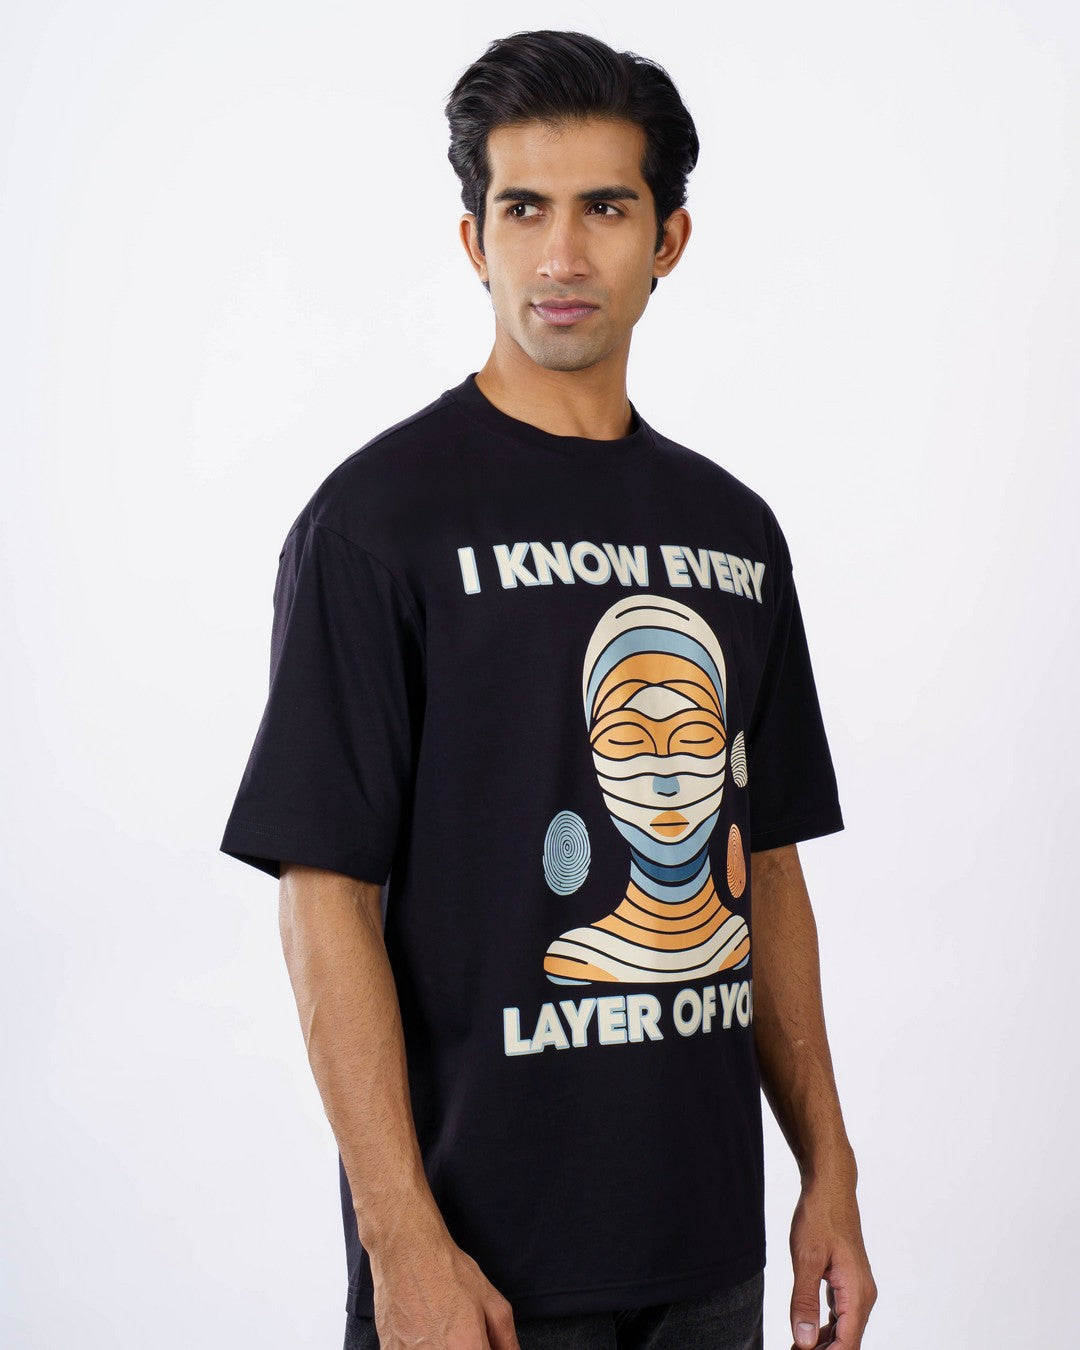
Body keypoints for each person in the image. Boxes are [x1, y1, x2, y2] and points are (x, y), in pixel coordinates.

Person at [219, 28, 877, 1350]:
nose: (561, 257)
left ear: (668, 239)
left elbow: (770, 869)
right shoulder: (376, 524)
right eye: (523, 210)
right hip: (481, 1269)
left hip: (708, 1257)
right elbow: (324, 894)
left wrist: (830, 1168)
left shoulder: (735, 532)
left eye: (605, 210)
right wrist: (401, 1238)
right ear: (475, 239)